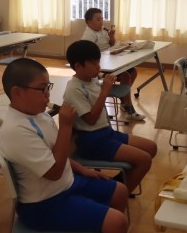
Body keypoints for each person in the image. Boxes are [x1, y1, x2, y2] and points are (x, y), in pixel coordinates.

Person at [0, 58, 129, 233]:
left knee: (120, 191)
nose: (48, 95)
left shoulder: (37, 113)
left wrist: (82, 169)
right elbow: (54, 172)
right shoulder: (16, 130)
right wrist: (66, 126)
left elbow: (55, 153)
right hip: (43, 204)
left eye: (48, 87)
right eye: (42, 89)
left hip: (65, 184)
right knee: (118, 223)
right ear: (17, 92)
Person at [64, 40, 157, 194]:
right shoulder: (74, 89)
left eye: (98, 62)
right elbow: (91, 120)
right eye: (93, 63)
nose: (98, 67)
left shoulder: (91, 79)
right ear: (78, 66)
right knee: (144, 160)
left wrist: (107, 84)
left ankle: (116, 186)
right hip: (92, 141)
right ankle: (118, 196)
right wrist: (105, 92)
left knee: (151, 148)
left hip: (106, 133)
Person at [81, 7, 145, 121]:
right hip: (100, 66)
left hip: (109, 60)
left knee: (133, 71)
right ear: (89, 22)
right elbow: (88, 54)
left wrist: (111, 37)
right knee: (125, 75)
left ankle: (124, 100)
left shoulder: (102, 31)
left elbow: (111, 44)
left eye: (102, 19)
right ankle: (128, 107)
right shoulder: (89, 34)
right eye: (98, 19)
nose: (101, 22)